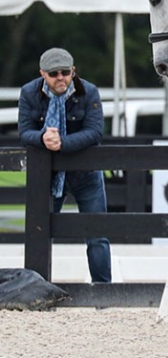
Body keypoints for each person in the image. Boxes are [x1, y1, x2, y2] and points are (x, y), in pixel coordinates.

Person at [18, 48, 112, 283]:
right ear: (42, 74)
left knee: (97, 235)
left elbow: (95, 132)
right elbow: (24, 131)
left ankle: (103, 293)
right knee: (41, 233)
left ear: (73, 71)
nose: (60, 77)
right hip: (49, 175)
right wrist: (42, 138)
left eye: (65, 72)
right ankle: (36, 289)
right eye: (53, 73)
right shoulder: (29, 92)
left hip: (86, 175)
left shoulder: (89, 91)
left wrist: (61, 143)